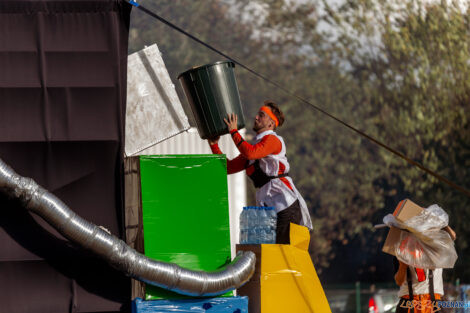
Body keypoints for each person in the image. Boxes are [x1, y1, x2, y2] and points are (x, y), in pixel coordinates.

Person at [207, 100, 313, 244]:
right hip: (268, 210)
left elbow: (251, 153)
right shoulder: (253, 146)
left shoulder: (273, 140)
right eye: (258, 114)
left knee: (280, 252)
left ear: (271, 123)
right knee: (266, 253)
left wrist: (233, 132)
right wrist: (214, 145)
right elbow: (228, 168)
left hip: (285, 205)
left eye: (261, 115)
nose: (256, 117)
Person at [394, 226, 456, 313]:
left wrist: (442, 223)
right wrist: (402, 266)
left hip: (433, 301)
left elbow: (452, 236)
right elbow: (399, 281)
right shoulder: (402, 249)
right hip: (408, 301)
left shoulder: (436, 247)